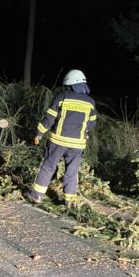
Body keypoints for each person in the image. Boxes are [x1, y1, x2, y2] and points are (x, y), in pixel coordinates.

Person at [24, 69, 97, 208]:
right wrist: (83, 132)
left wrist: (39, 133)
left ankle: (37, 194)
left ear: (70, 84)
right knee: (72, 170)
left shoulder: (62, 96)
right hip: (78, 144)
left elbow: (50, 117)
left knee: (48, 166)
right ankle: (69, 201)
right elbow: (92, 123)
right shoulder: (90, 102)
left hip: (59, 140)